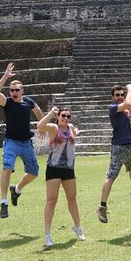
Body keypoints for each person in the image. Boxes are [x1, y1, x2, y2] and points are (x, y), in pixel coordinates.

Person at [0, 62, 43, 219]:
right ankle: (4, 202)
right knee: (7, 167)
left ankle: (17, 189)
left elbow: (38, 110)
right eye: (12, 90)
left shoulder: (28, 101)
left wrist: (41, 125)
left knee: (34, 172)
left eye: (17, 90)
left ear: (22, 91)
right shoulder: (7, 103)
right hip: (11, 142)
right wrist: (5, 76)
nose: (14, 92)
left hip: (26, 143)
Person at [97, 84, 131, 223]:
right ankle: (102, 207)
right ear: (112, 97)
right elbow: (129, 104)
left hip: (128, 146)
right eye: (117, 95)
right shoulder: (113, 108)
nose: (120, 97)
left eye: (122, 94)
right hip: (118, 148)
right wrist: (130, 89)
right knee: (111, 176)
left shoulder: (124, 108)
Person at [37, 106, 85, 248]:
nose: (65, 118)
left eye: (68, 116)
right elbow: (40, 125)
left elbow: (72, 136)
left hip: (68, 168)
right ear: (58, 117)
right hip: (54, 168)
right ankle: (47, 234)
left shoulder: (70, 126)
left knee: (72, 199)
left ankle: (78, 227)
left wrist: (75, 132)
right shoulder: (53, 128)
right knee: (51, 201)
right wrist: (51, 113)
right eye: (63, 115)